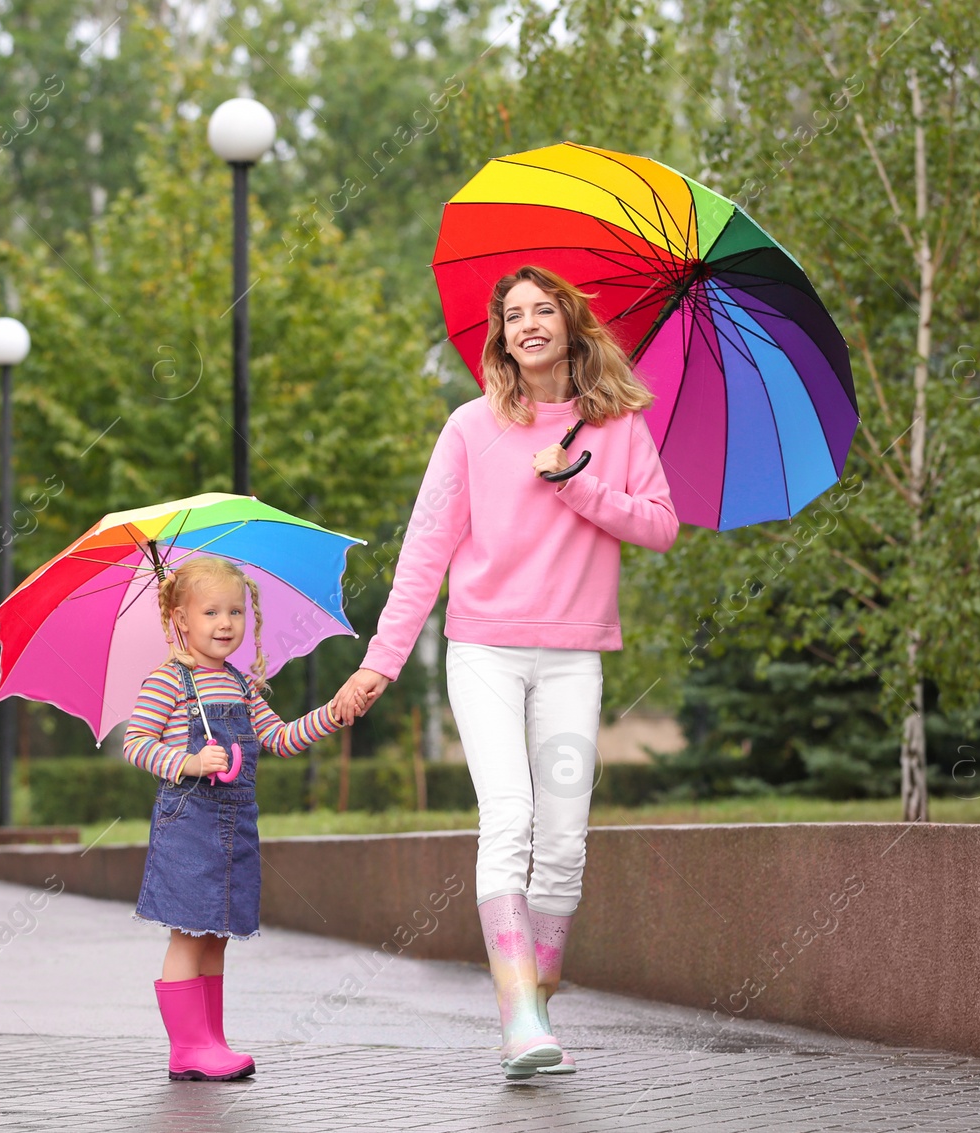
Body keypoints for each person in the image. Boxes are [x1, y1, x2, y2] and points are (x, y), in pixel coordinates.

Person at [332, 264, 679, 1080]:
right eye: (513, 313)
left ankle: (539, 991)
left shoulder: (620, 426)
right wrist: (381, 662)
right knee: (510, 816)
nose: (527, 322)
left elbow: (660, 527)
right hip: (483, 650)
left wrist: (580, 483)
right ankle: (517, 1013)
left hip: (573, 656)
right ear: (501, 335)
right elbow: (425, 554)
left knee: (563, 838)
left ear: (568, 324)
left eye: (542, 309)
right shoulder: (469, 427)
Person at [125, 557, 355, 1081]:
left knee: (218, 931)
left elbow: (279, 739)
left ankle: (211, 1039)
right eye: (210, 612)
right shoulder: (170, 681)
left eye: (235, 612)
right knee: (189, 932)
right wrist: (186, 761)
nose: (225, 624)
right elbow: (136, 744)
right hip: (189, 824)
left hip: (234, 825)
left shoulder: (241, 684)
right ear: (181, 619)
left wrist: (333, 713)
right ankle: (187, 1048)